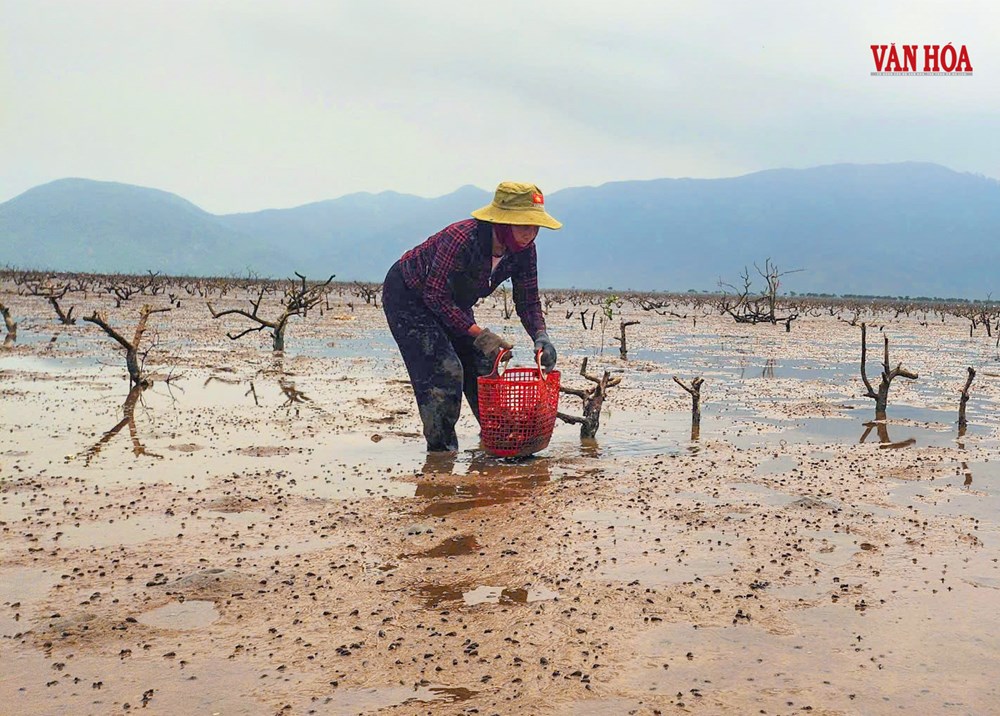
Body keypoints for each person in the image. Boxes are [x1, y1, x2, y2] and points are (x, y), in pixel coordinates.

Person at [382, 181, 560, 452]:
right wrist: (478, 333)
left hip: (453, 301)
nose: (530, 233)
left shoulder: (525, 252)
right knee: (444, 371)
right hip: (410, 297)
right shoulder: (463, 238)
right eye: (524, 224)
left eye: (535, 226)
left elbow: (527, 299)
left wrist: (540, 335)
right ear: (502, 222)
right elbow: (434, 295)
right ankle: (441, 454)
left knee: (482, 368)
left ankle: (500, 441)